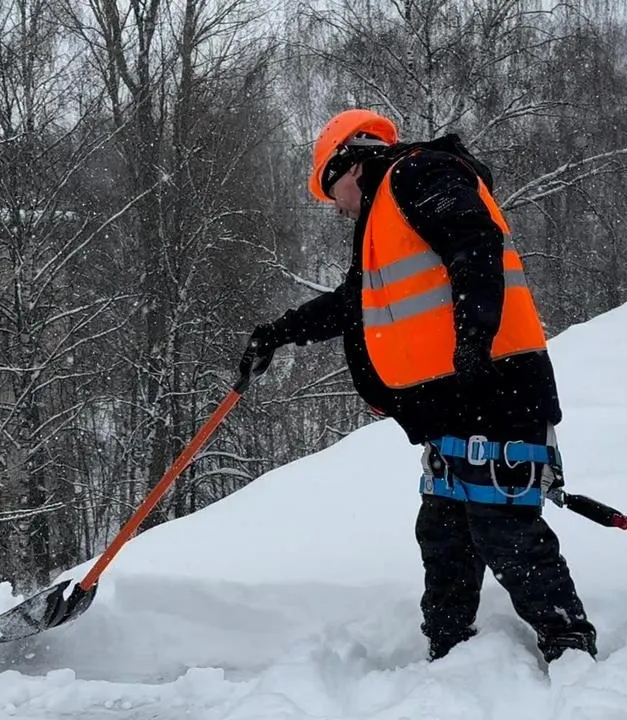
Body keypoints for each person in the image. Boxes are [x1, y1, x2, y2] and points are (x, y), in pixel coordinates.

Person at [237, 108, 597, 665]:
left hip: (497, 384)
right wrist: (278, 333)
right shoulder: (384, 222)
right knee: (444, 531)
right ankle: (449, 650)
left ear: (349, 163)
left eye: (332, 191)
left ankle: (569, 644)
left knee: (503, 526)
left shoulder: (420, 173)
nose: (337, 206)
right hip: (451, 403)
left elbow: (474, 241)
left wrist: (474, 337)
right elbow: (351, 304)